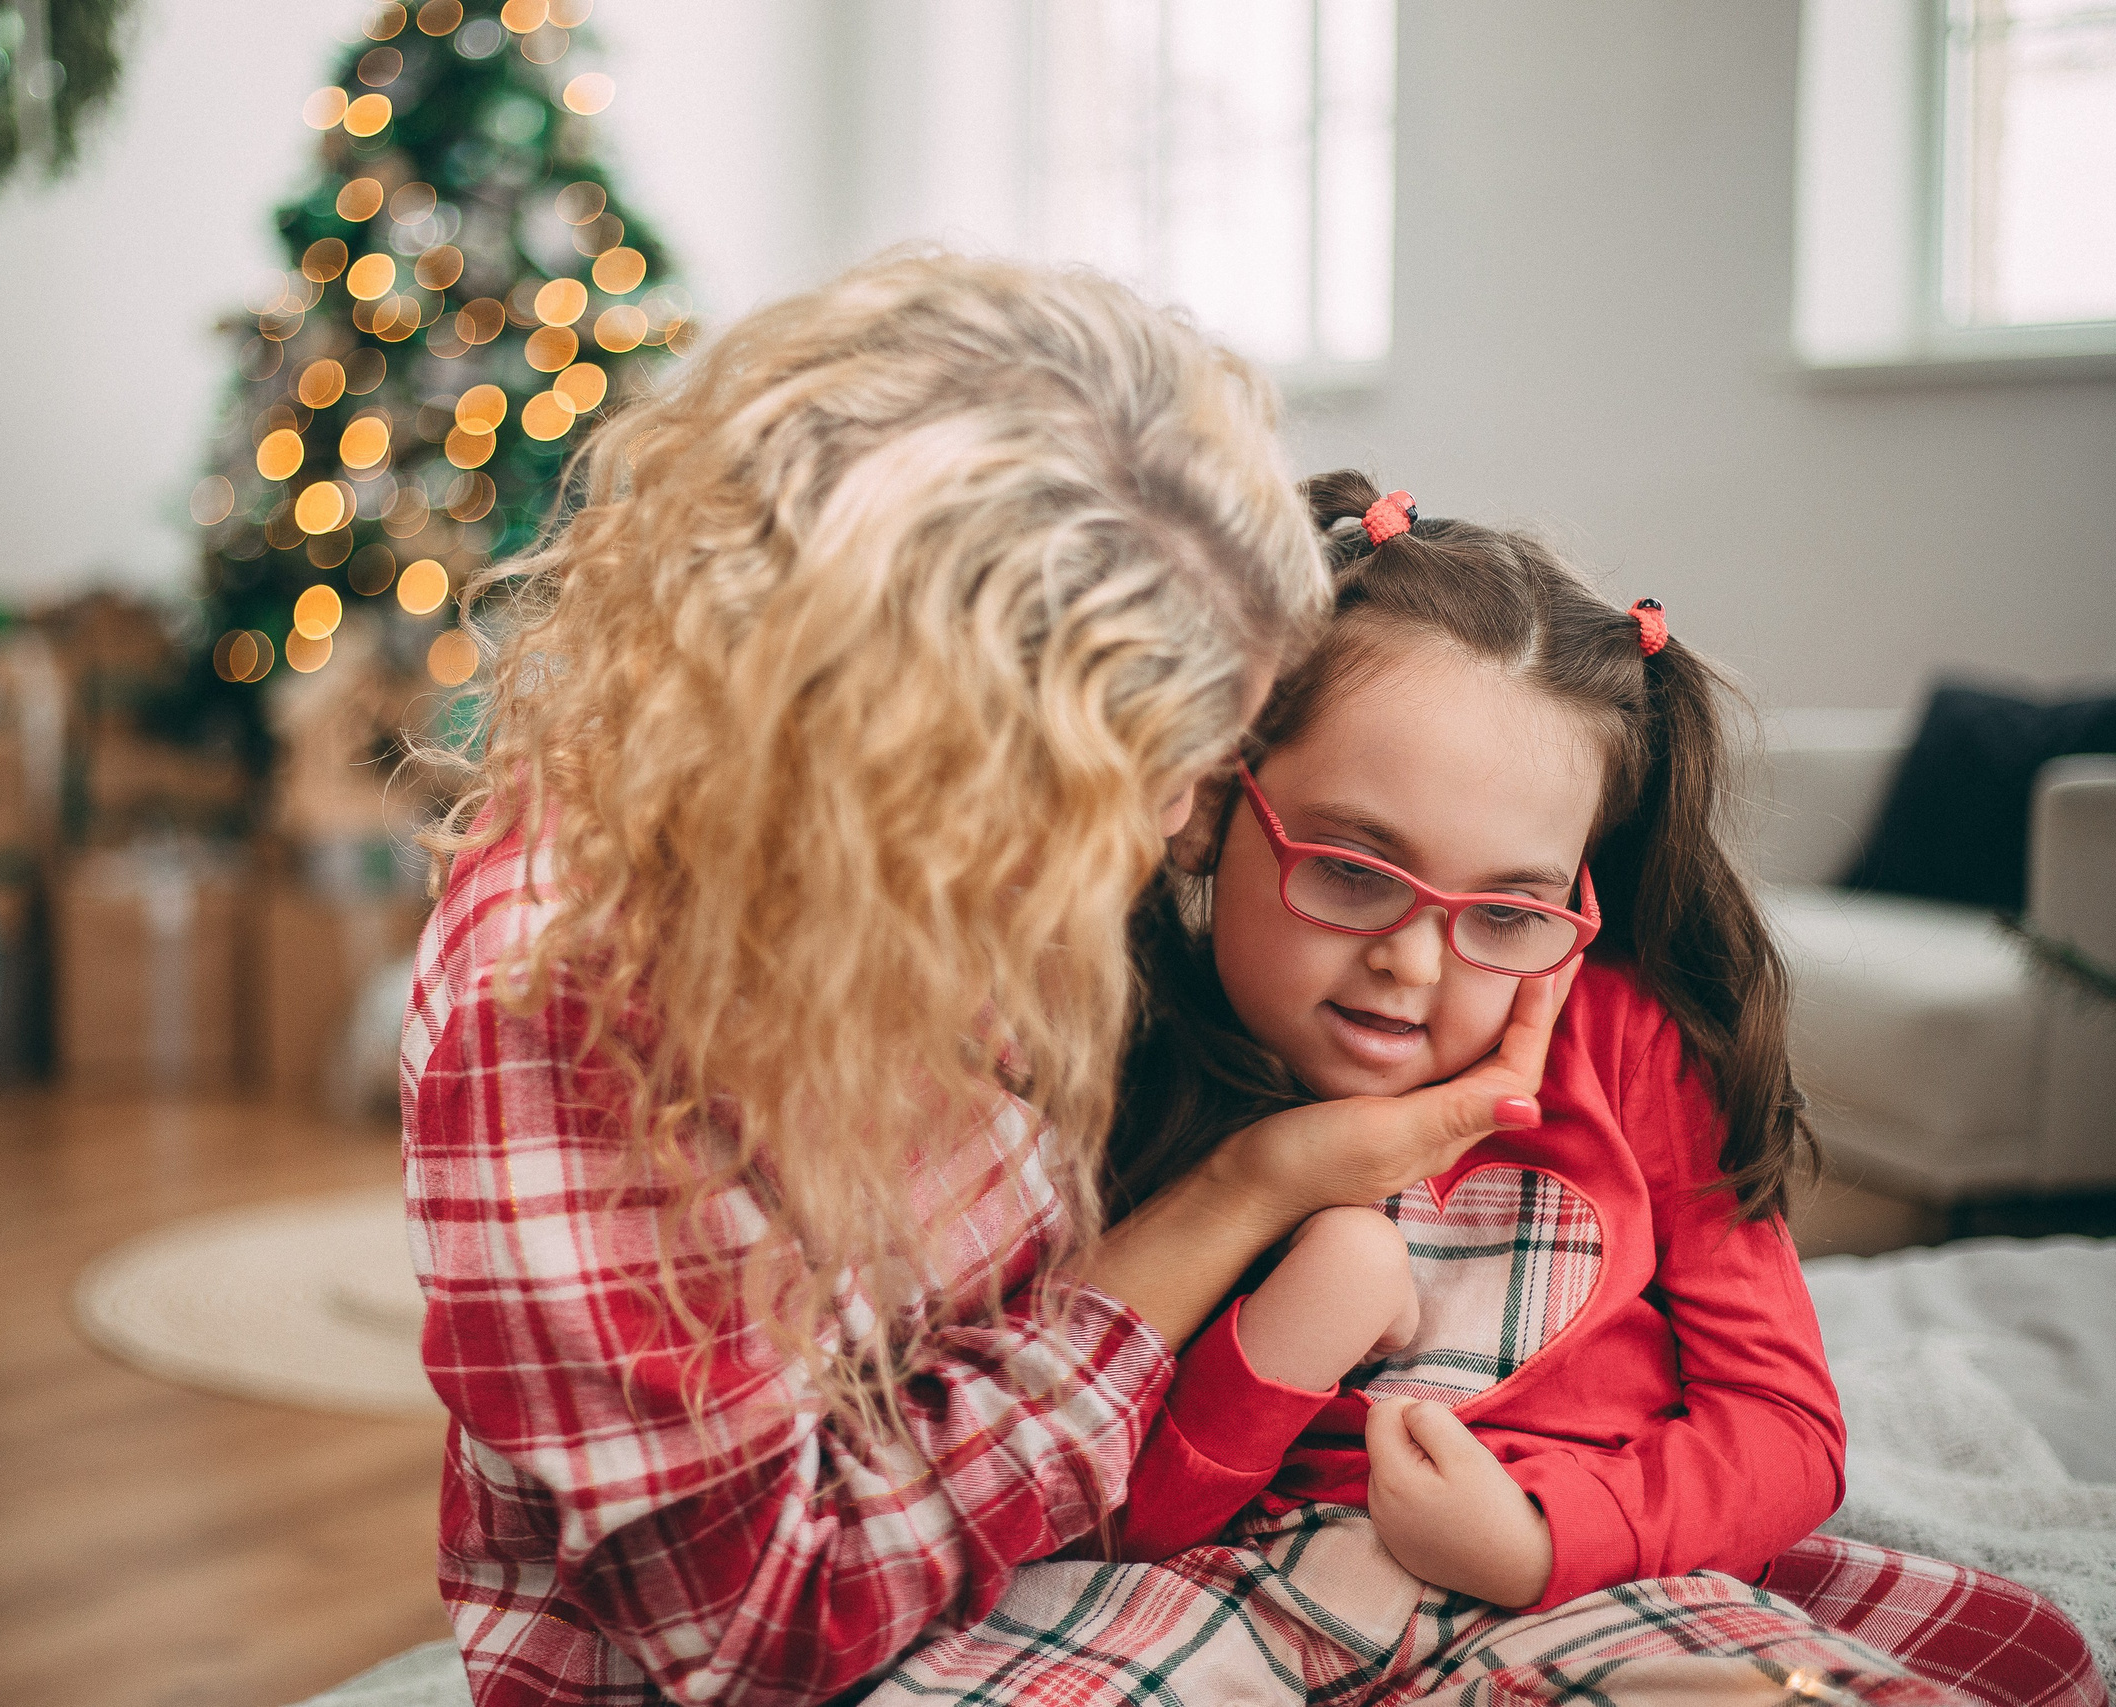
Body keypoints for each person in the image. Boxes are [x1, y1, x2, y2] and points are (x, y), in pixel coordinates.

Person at [398, 259, 1572, 1707]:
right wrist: (1243, 1192)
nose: (1180, 835)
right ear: (910, 740)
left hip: (1045, 1558)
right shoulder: (570, 997)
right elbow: (765, 1621)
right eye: (1141, 774)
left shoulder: (973, 870)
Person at [868, 474, 2106, 1706]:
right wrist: (1285, 1320)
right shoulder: (1110, 1055)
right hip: (1228, 1584)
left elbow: (1782, 1428)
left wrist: (1536, 1532)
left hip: (1588, 1576)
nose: (1411, 961)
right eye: (1353, 870)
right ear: (1210, 804)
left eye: (1509, 911)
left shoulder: (1626, 1040)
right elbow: (1075, 1499)